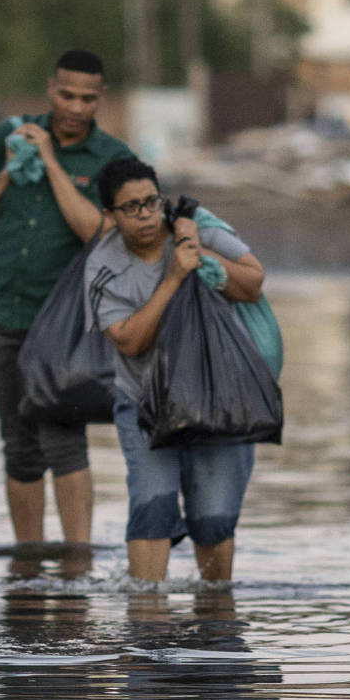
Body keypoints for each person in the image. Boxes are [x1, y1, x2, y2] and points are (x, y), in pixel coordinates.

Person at [0, 49, 131, 545]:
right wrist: (10, 168)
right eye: (67, 94)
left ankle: (78, 563)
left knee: (65, 436)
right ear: (51, 89)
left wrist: (49, 161)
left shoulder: (114, 159)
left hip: (66, 322)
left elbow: (98, 233)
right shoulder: (1, 138)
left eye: (87, 98)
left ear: (101, 99)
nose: (75, 106)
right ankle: (28, 567)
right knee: (20, 441)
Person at [87, 155, 265, 586]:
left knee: (214, 519)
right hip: (144, 404)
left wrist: (197, 252)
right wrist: (174, 276)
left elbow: (254, 282)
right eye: (131, 207)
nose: (146, 215)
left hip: (220, 400)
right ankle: (146, 626)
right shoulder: (102, 268)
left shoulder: (195, 226)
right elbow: (129, 341)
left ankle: (216, 618)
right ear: (110, 216)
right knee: (151, 508)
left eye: (151, 201)